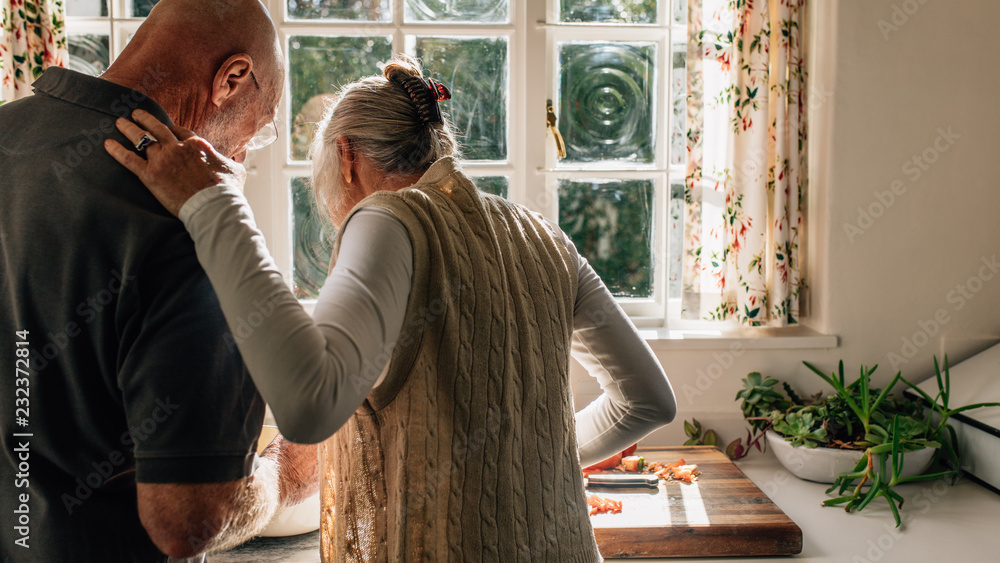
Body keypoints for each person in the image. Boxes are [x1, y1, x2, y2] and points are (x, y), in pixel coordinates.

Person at [106, 56, 677, 561]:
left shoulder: (386, 216)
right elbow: (648, 400)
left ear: (347, 156)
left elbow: (309, 402)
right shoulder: (545, 236)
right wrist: (528, 454)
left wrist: (214, 205)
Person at [0, 1, 318, 561]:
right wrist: (286, 476)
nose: (243, 153)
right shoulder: (194, 225)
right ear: (232, 78)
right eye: (261, 128)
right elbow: (188, 521)